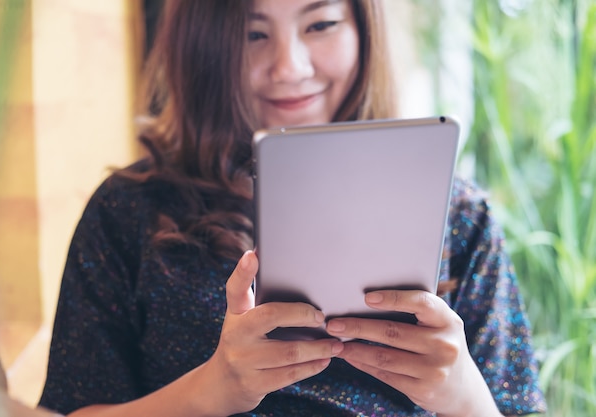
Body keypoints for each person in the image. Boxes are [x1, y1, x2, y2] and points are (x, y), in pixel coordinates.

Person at [38, 1, 546, 416]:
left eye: (320, 24)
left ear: (363, 31)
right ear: (202, 48)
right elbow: (71, 410)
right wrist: (213, 389)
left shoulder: (458, 217)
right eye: (252, 33)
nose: (290, 67)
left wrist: (464, 398)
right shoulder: (127, 211)